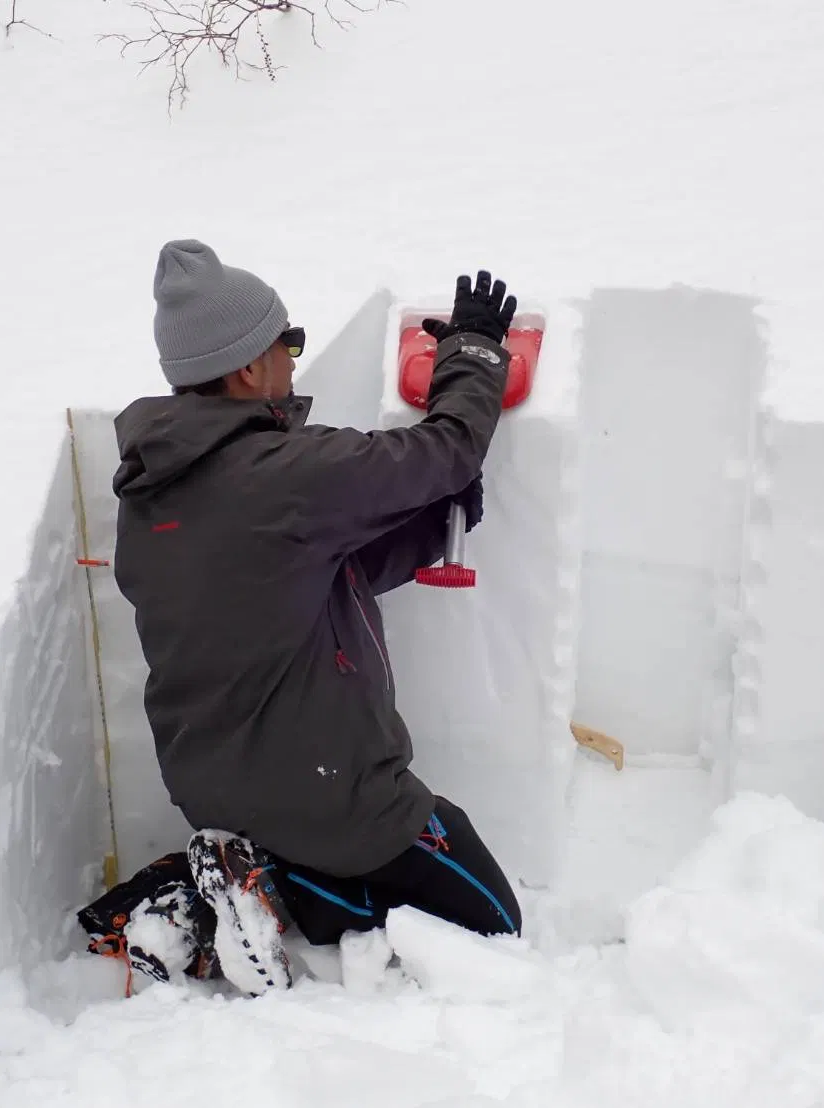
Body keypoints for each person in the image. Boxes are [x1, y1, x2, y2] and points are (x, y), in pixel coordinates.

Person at [80, 239, 522, 996]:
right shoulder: (286, 473)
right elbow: (445, 450)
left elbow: (295, 579)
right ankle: (249, 892)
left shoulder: (150, 494)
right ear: (249, 367)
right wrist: (474, 353)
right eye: (289, 342)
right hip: (330, 795)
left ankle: (228, 878)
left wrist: (422, 534)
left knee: (348, 856)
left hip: (210, 780)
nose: (294, 358)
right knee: (492, 920)